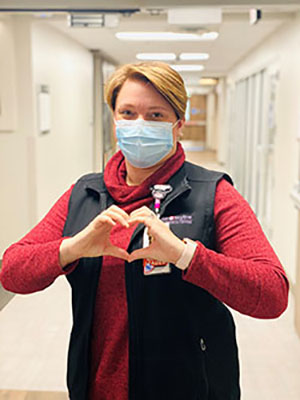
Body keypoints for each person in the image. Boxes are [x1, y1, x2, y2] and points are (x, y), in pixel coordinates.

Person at [0, 62, 289, 400]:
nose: (139, 125)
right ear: (114, 121)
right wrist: (72, 248)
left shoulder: (213, 194)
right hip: (97, 386)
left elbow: (272, 294)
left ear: (178, 125)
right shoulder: (84, 194)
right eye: (128, 112)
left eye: (155, 115)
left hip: (191, 388)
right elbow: (11, 272)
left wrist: (187, 256)